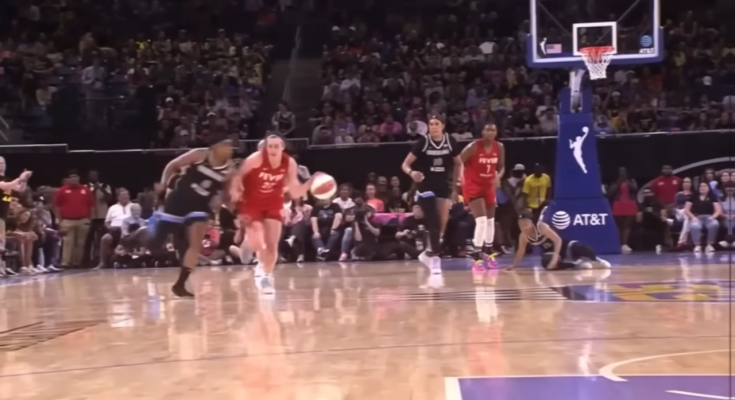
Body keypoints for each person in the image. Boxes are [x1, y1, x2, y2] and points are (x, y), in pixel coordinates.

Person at [148, 134, 234, 298]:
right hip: (178, 201)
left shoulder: (229, 170)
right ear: (215, 146)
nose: (229, 149)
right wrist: (164, 185)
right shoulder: (200, 154)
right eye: (225, 145)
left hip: (199, 207)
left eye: (230, 146)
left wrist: (238, 214)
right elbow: (172, 165)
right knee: (155, 244)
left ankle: (180, 284)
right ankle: (135, 238)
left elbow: (226, 197)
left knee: (195, 246)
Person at [231, 135, 316, 295]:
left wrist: (311, 183)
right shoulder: (254, 160)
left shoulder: (288, 163)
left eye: (276, 147)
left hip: (273, 203)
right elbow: (238, 178)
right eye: (268, 147)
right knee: (250, 250)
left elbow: (293, 190)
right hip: (252, 203)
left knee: (272, 244)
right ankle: (251, 245)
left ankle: (266, 277)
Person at [401, 116, 461, 274]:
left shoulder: (450, 141)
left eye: (436, 124)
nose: (433, 126)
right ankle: (435, 259)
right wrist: (411, 172)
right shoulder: (423, 142)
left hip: (443, 185)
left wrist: (457, 184)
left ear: (443, 126)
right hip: (425, 186)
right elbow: (405, 164)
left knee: (442, 222)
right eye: (431, 124)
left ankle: (428, 251)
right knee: (433, 222)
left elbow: (458, 163)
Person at [459, 123, 505, 270]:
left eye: (493, 130)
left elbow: (502, 167)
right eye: (488, 130)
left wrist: (498, 177)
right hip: (473, 185)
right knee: (482, 221)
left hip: (489, 185)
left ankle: (488, 252)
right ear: (482, 132)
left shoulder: (499, 147)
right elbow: (458, 161)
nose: (491, 132)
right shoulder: (473, 147)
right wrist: (460, 178)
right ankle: (477, 256)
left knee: (491, 221)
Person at [506, 207, 611, 271]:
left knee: (582, 248)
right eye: (520, 225)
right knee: (546, 263)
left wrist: (556, 256)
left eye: (525, 224)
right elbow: (521, 250)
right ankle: (575, 264)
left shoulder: (541, 227)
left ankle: (596, 260)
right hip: (550, 252)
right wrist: (514, 265)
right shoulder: (523, 236)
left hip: (563, 247)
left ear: (531, 222)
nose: (523, 227)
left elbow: (558, 240)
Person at [684, 181, 722, 254]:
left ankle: (710, 245)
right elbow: (686, 209)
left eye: (705, 186)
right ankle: (697, 245)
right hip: (697, 218)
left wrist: (713, 217)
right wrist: (693, 217)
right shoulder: (693, 197)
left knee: (714, 224)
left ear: (708, 188)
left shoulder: (713, 197)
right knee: (695, 226)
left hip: (709, 218)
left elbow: (718, 210)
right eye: (701, 186)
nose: (702, 188)